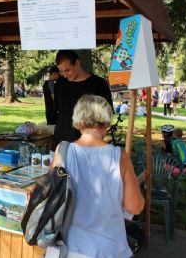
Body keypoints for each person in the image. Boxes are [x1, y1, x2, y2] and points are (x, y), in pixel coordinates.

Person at [52, 95, 144, 257]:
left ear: (77, 118)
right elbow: (134, 207)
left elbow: (54, 195)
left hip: (69, 246)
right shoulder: (119, 156)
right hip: (110, 248)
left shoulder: (63, 151)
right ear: (106, 120)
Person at [54, 50, 113, 144]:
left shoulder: (99, 84)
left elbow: (107, 115)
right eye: (61, 72)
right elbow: (58, 111)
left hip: (90, 144)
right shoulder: (60, 84)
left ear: (77, 63)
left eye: (67, 70)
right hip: (62, 141)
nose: (64, 75)